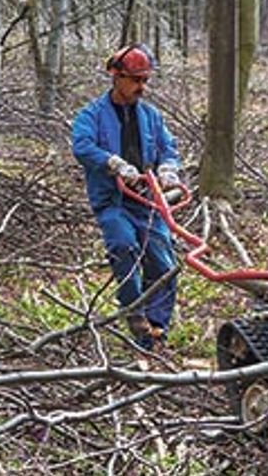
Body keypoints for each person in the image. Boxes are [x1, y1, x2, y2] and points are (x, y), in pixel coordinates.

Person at [71, 43, 183, 351]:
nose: (141, 87)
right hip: (113, 200)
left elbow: (168, 149)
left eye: (145, 80)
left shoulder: (151, 116)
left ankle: (157, 326)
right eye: (135, 80)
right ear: (116, 76)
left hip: (149, 202)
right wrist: (113, 163)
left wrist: (169, 169)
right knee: (123, 246)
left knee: (163, 260)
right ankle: (135, 314)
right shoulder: (91, 115)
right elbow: (82, 146)